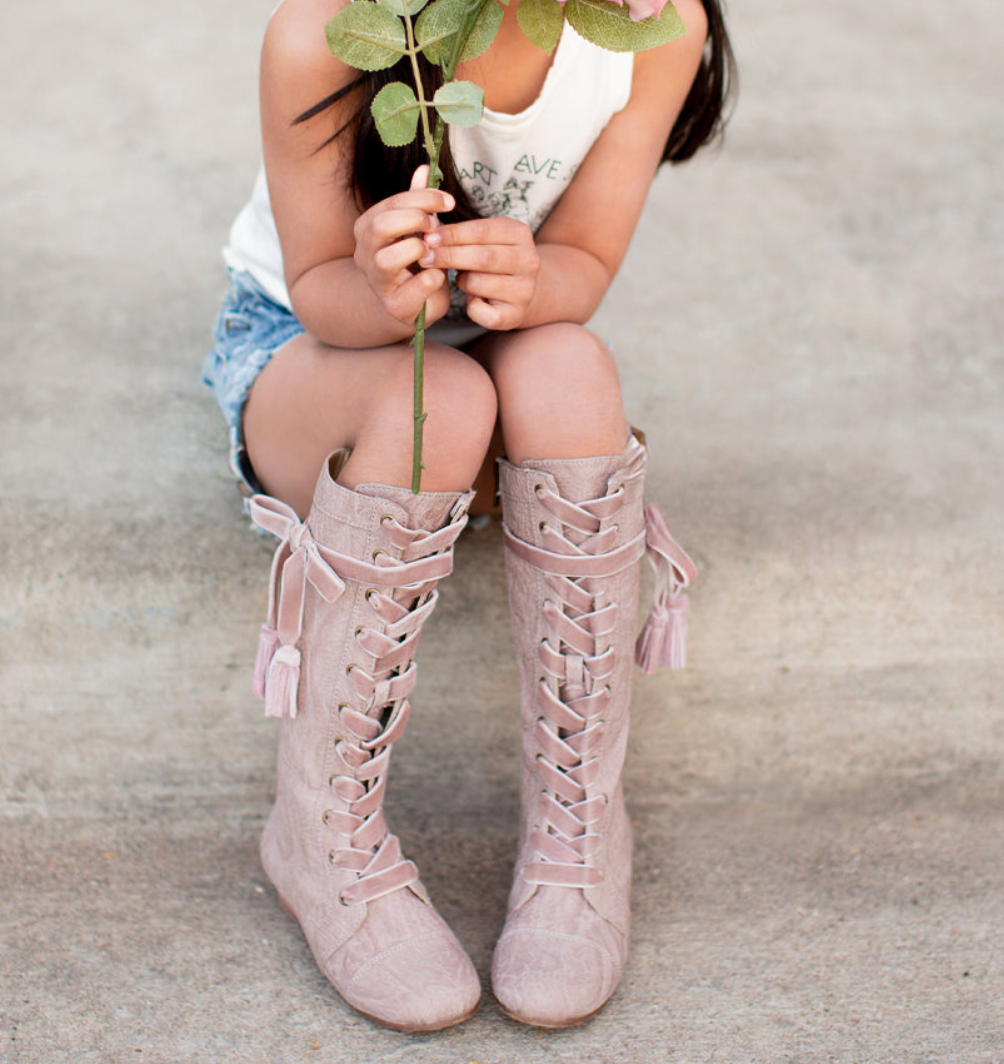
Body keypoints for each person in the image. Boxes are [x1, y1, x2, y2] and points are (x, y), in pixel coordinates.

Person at [203, 0, 734, 1033]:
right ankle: (319, 830)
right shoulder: (325, 31)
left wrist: (530, 279)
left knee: (572, 370)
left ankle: (575, 838)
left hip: (496, 333)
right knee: (432, 398)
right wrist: (379, 284)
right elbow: (314, 287)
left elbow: (581, 257)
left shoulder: (656, 24)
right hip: (318, 350)